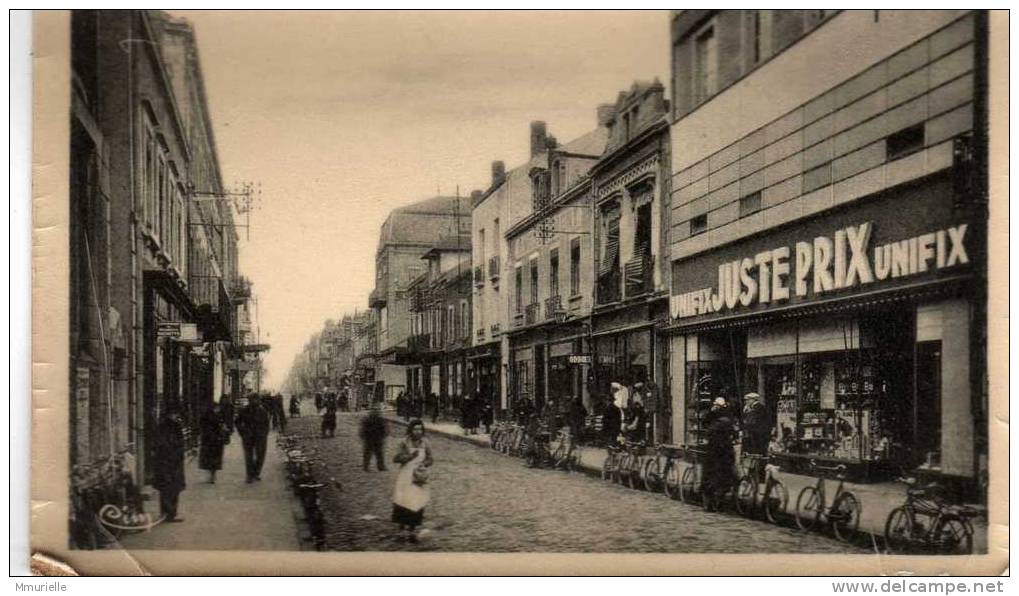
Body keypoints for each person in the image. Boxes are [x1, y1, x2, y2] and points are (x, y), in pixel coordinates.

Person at [391, 419, 433, 543]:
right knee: (403, 501)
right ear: (411, 430)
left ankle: (412, 530)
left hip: (419, 476)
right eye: (415, 429)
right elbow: (396, 458)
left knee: (417, 502)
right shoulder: (404, 442)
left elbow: (431, 459)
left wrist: (424, 464)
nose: (418, 432)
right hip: (405, 476)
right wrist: (410, 456)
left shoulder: (425, 443)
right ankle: (401, 530)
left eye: (420, 429)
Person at [702, 398, 738, 512]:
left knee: (711, 477)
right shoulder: (728, 418)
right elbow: (734, 434)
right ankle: (720, 502)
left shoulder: (716, 421)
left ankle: (710, 504)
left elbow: (706, 426)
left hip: (715, 453)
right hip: (726, 453)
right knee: (725, 478)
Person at [153, 408, 187, 522]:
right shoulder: (168, 427)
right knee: (170, 488)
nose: (176, 416)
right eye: (174, 413)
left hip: (171, 462)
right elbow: (164, 444)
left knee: (169, 488)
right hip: (169, 462)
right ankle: (170, 514)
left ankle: (167, 513)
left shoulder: (173, 426)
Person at [236, 395, 271, 483]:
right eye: (253, 400)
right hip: (248, 436)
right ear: (250, 401)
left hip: (260, 436)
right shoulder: (244, 410)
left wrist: (265, 433)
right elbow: (237, 422)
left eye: (257, 399)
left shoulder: (263, 411)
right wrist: (242, 432)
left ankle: (256, 473)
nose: (255, 401)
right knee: (249, 457)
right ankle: (249, 475)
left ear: (259, 400)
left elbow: (267, 423)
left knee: (260, 455)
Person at [198, 402, 227, 484]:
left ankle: (212, 475)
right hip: (213, 440)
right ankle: (212, 475)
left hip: (212, 441)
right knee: (213, 459)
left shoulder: (213, 416)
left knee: (211, 459)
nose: (218, 409)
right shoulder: (214, 416)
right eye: (217, 408)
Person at [359, 404, 389, 471]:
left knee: (374, 453)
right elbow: (384, 429)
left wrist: (362, 435)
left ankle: (368, 467)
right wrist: (384, 435)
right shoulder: (378, 419)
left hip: (372, 439)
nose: (375, 412)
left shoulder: (369, 419)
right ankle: (378, 467)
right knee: (376, 453)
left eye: (376, 411)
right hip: (374, 439)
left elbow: (384, 429)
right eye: (374, 411)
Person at [741, 392, 770, 457]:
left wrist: (747, 412)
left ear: (753, 399)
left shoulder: (757, 408)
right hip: (755, 432)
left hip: (758, 433)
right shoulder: (753, 408)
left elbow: (751, 421)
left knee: (758, 451)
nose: (746, 402)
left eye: (747, 400)